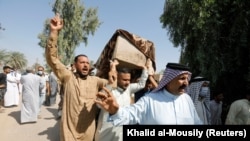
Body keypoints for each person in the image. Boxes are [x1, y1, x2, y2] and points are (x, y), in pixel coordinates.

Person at [45, 14, 116, 141]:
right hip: (69, 131)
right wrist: (54, 32)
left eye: (87, 63)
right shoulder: (67, 77)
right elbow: (52, 59)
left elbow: (112, 84)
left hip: (88, 131)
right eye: (82, 62)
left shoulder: (95, 81)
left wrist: (113, 69)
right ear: (75, 65)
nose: (86, 65)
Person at [95, 63, 203, 125]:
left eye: (187, 79)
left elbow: (197, 122)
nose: (186, 83)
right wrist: (115, 110)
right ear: (169, 80)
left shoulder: (187, 99)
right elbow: (130, 115)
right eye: (182, 78)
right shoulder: (150, 100)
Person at [94, 59, 150, 141]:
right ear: (117, 78)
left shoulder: (129, 88)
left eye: (129, 80)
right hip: (106, 131)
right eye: (124, 80)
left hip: (120, 131)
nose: (127, 82)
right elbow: (98, 104)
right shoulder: (109, 89)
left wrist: (145, 70)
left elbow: (141, 84)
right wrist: (110, 84)